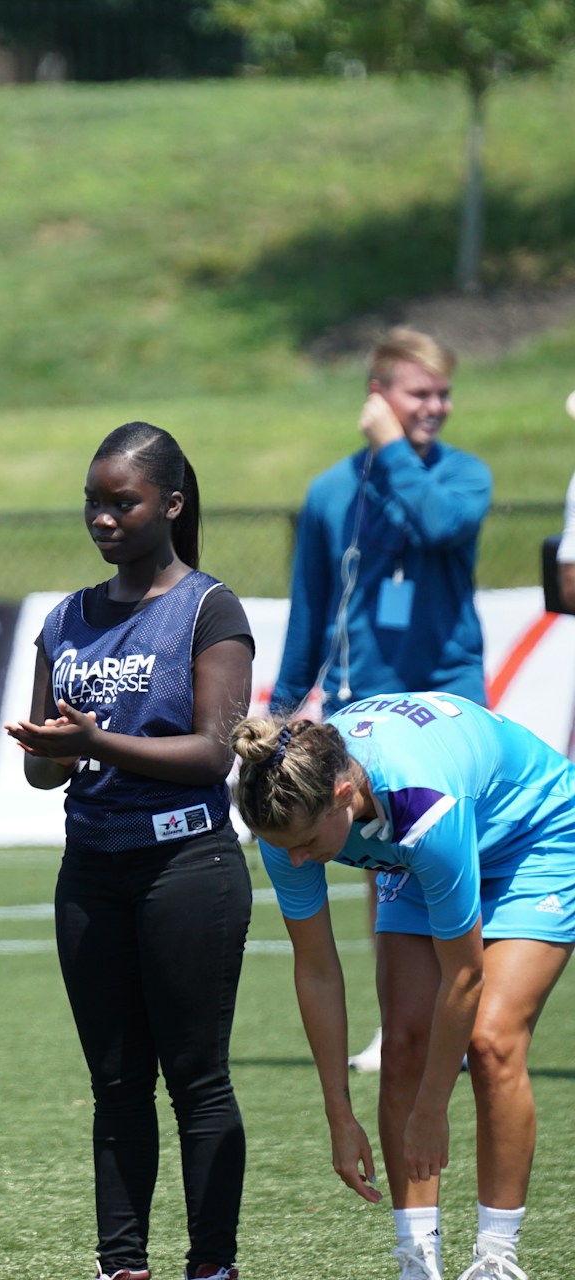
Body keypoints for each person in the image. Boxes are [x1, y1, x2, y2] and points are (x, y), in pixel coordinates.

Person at [5, 423, 253, 1280]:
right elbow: (43, 773)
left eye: (123, 502)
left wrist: (95, 741)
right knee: (114, 1087)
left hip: (187, 868)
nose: (103, 518)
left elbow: (214, 753)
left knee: (197, 1081)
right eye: (93, 502)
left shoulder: (209, 609)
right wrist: (51, 750)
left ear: (171, 505)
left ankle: (211, 1266)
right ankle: (122, 1266)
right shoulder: (65, 619)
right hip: (91, 873)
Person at [233, 696, 574, 1280]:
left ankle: (496, 1258)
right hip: (415, 853)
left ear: (343, 795)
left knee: (490, 1043)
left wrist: (432, 1110)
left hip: (535, 840)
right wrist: (339, 1113)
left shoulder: (425, 807)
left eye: (306, 844)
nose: (296, 860)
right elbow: (316, 969)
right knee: (403, 1047)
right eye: (284, 846)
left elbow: (464, 976)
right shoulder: (286, 817)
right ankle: (418, 1262)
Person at [270, 327, 491, 1075]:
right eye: (418, 393)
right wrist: (280, 714)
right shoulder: (331, 492)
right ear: (379, 394)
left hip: (450, 699)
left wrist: (392, 447)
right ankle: (398, 1021)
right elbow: (309, 610)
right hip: (364, 701)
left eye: (443, 394)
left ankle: (466, 1020)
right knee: (382, 863)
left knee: (455, 855)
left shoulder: (465, 476)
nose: (436, 406)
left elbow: (439, 525)